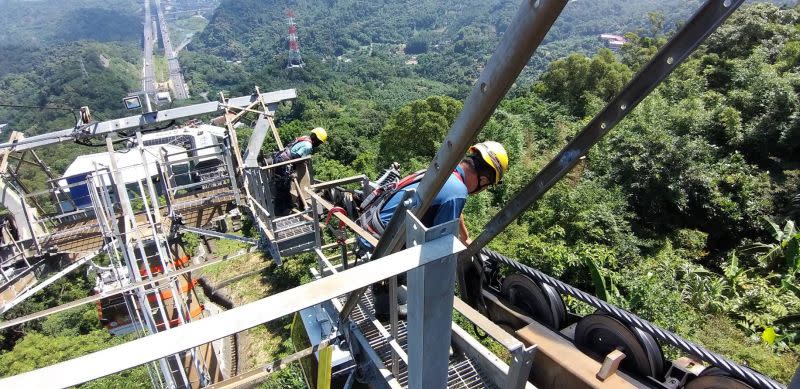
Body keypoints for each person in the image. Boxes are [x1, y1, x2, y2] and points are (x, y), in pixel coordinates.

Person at [357, 141, 509, 319]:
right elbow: (439, 247)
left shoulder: (445, 172)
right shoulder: (457, 191)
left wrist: (465, 238)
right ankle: (387, 309)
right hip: (380, 246)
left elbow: (455, 213)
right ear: (483, 180)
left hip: (370, 229)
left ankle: (392, 283)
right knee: (436, 266)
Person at [270, 127, 328, 215]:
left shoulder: (305, 138)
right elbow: (297, 157)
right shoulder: (308, 146)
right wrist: (295, 168)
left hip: (280, 157)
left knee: (283, 185)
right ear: (316, 139)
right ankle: (279, 211)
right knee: (283, 187)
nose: (319, 144)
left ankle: (286, 207)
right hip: (283, 162)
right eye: (319, 142)